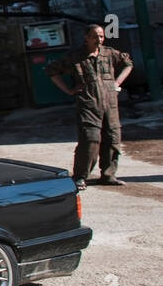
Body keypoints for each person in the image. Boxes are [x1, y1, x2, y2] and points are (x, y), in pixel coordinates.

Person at [47, 23, 132, 190]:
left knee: (113, 139)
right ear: (86, 38)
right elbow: (52, 71)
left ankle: (108, 175)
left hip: (110, 103)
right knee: (90, 140)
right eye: (95, 37)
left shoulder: (109, 53)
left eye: (101, 36)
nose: (98, 40)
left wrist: (117, 83)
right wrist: (69, 90)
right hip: (88, 103)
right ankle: (80, 177)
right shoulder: (75, 56)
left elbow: (128, 64)